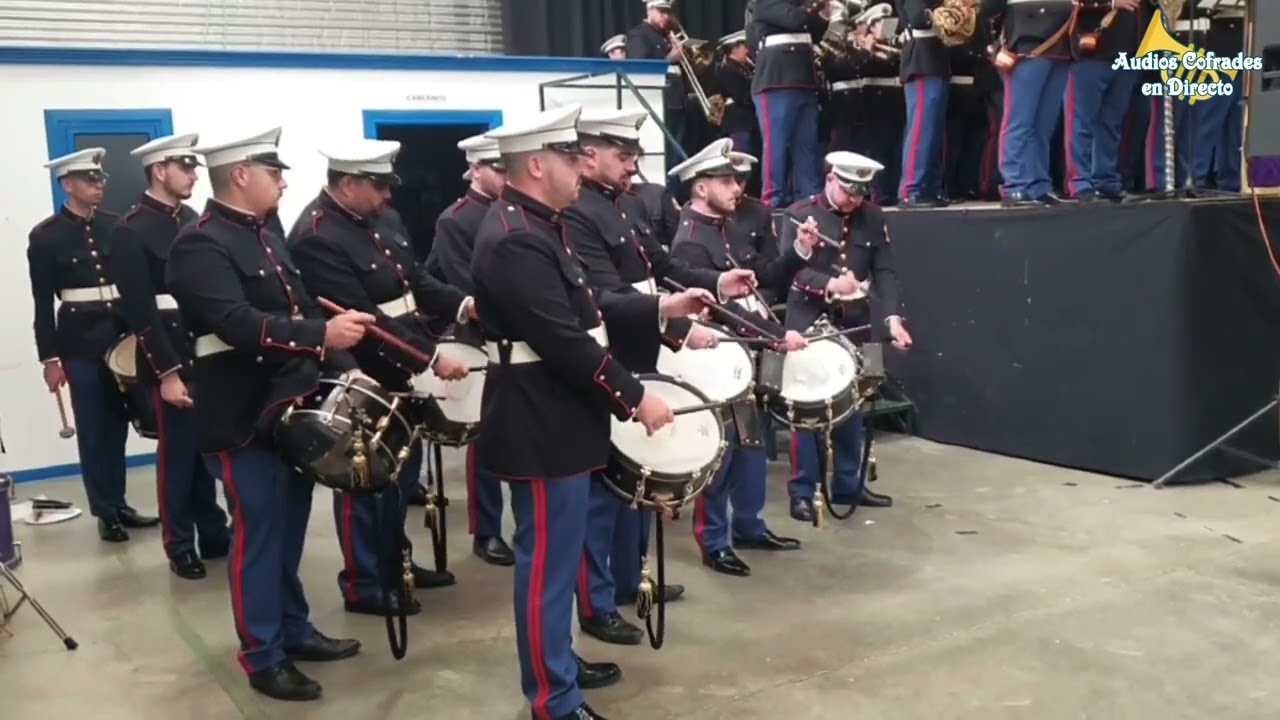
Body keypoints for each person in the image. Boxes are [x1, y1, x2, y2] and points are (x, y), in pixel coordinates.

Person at [471, 103, 710, 720]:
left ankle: (560, 664)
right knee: (547, 572)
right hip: (540, 424)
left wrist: (666, 316)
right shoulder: (517, 239)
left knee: (556, 562)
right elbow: (566, 341)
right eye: (569, 157)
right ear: (534, 165)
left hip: (562, 419)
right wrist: (636, 399)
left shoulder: (540, 224)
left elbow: (594, 315)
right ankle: (552, 699)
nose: (581, 168)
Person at [166, 127, 365, 701]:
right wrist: (319, 335)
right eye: (273, 172)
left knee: (289, 527)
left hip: (288, 405)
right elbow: (235, 323)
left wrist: (344, 362)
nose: (282, 182)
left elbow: (303, 306)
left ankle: (293, 628)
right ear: (240, 175)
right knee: (258, 533)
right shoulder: (198, 244)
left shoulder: (267, 235)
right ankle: (262, 653)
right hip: (240, 411)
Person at [563, 110, 757, 646]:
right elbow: (604, 295)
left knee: (637, 488)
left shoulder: (627, 204)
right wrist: (671, 315)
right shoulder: (576, 213)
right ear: (589, 154)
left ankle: (628, 581)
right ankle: (596, 604)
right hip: (607, 363)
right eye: (623, 157)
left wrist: (716, 278)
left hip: (642, 358)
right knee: (604, 494)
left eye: (633, 157)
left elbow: (662, 263)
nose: (632, 167)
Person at [287, 139, 472, 616]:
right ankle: (365, 583)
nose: (388, 195)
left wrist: (463, 303)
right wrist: (431, 359)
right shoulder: (316, 234)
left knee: (400, 476)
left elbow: (414, 281)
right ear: (347, 185)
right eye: (378, 185)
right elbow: (365, 321)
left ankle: (397, 564)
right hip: (365, 376)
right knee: (365, 483)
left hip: (403, 369)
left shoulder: (381, 219)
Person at [668, 141, 815, 576]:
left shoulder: (727, 226)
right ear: (700, 188)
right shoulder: (690, 242)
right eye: (726, 181)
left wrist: (798, 254)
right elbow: (721, 313)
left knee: (751, 446)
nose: (737, 188)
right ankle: (714, 541)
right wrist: (776, 336)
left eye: (736, 180)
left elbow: (761, 280)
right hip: (715, 363)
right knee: (721, 453)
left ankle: (749, 525)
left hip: (746, 358)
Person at [109, 133, 230, 577]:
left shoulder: (194, 219)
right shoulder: (130, 229)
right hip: (169, 355)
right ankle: (179, 543)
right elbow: (140, 311)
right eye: (186, 167)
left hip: (205, 351)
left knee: (206, 449)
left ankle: (214, 533)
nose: (194, 175)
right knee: (177, 457)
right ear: (160, 170)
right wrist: (168, 372)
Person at [27, 148, 160, 543]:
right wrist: (49, 358)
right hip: (79, 344)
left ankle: (119, 503)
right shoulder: (46, 235)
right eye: (89, 179)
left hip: (121, 338)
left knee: (119, 423)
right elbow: (42, 303)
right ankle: (105, 511)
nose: (98, 185)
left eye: (100, 179)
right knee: (94, 430)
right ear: (67, 184)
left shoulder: (116, 226)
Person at [781, 151, 912, 522]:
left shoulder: (872, 217)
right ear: (831, 178)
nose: (855, 200)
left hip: (856, 324)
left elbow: (884, 271)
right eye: (849, 191)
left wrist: (892, 319)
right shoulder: (799, 213)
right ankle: (803, 490)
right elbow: (789, 273)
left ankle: (849, 483)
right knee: (805, 409)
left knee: (855, 405)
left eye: (861, 193)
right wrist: (830, 285)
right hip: (808, 321)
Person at [423, 134, 518, 566]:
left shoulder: (516, 214)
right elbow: (465, 284)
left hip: (523, 336)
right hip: (480, 335)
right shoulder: (456, 220)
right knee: (485, 434)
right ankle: (486, 529)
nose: (504, 176)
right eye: (497, 169)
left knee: (525, 431)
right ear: (476, 170)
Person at [750, 0, 834, 207]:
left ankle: (811, 197)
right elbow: (794, 19)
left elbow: (813, 33)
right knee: (776, 144)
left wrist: (824, 15)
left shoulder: (801, 6)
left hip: (803, 80)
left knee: (807, 145)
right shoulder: (765, 3)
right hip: (776, 80)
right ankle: (773, 197)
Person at [991, 0, 1075, 206]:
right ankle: (1015, 184)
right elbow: (988, 9)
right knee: (1020, 121)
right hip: (1027, 40)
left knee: (1043, 125)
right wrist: (992, 44)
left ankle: (1038, 184)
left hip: (1061, 42)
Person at [1064, 0, 1145, 200]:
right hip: (1091, 52)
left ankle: (1106, 179)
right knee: (1081, 121)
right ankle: (1079, 181)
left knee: (1112, 123)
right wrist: (1112, 3)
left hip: (1129, 52)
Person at [625, 0, 689, 199]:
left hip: (677, 101)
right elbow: (638, 68)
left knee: (678, 156)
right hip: (659, 102)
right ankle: (667, 198)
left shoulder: (667, 36)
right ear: (650, 10)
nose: (666, 17)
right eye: (662, 12)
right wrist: (669, 58)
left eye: (668, 13)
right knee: (666, 155)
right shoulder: (639, 34)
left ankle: (677, 196)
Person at [898, 0, 952, 207]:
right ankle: (912, 189)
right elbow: (918, 18)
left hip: (936, 56)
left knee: (935, 132)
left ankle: (930, 187)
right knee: (922, 130)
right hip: (921, 58)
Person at [714, 30, 758, 156]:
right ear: (734, 49)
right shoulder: (726, 70)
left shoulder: (746, 68)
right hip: (739, 123)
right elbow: (742, 96)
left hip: (750, 122)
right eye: (745, 47)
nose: (747, 51)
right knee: (741, 157)